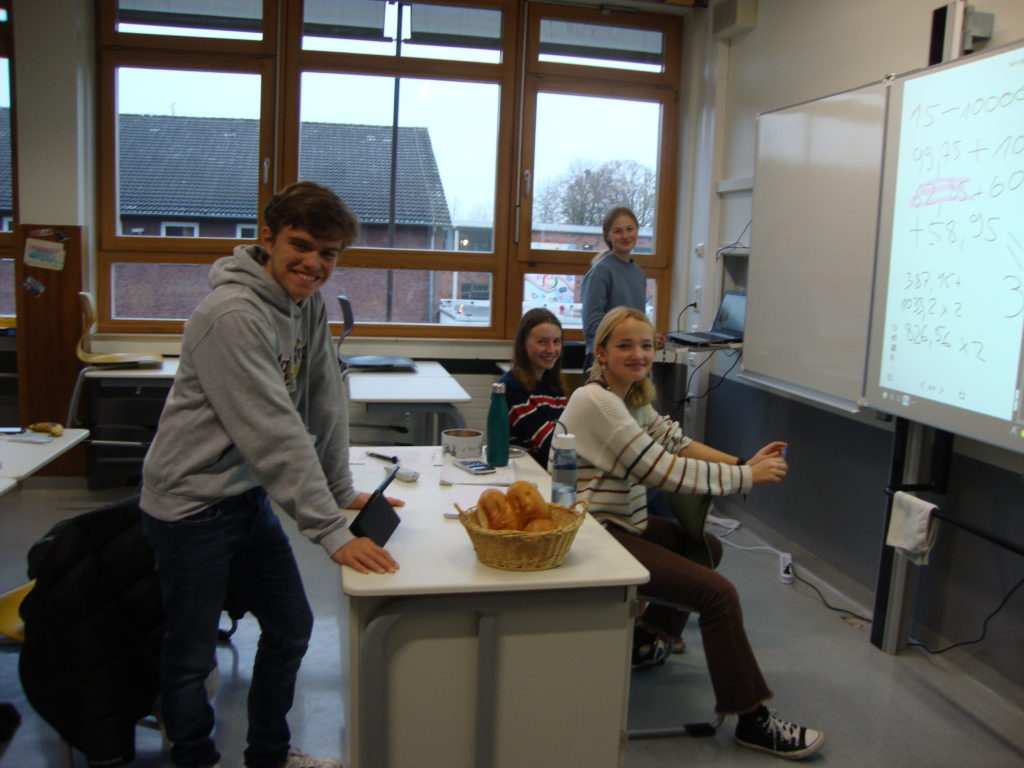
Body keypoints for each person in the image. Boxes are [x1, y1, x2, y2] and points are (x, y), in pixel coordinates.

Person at [140, 181, 402, 768]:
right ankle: (194, 760)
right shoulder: (231, 315)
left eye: (328, 253)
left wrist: (340, 491)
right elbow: (274, 431)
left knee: (291, 627)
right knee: (191, 655)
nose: (314, 264)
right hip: (189, 506)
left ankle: (269, 756)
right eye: (301, 245)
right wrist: (330, 531)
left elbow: (323, 396)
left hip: (245, 497)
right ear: (267, 238)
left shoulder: (306, 303)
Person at [560, 306, 825, 761]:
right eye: (625, 345)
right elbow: (659, 469)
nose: (638, 354)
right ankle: (751, 719)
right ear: (601, 352)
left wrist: (742, 462)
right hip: (594, 534)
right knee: (718, 595)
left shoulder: (627, 395)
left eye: (646, 345)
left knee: (705, 547)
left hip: (617, 524)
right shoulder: (595, 401)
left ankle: (647, 639)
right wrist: (746, 478)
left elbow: (674, 442)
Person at [580, 206, 665, 371]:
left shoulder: (638, 273)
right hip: (603, 363)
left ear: (637, 231)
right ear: (608, 235)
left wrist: (648, 338)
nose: (625, 236)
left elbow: (635, 321)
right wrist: (633, 338)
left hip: (632, 362)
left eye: (630, 229)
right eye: (618, 231)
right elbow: (592, 326)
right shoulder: (601, 272)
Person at [499, 308, 568, 467]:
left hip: (550, 471)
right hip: (526, 473)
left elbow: (565, 434)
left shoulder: (554, 386)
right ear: (523, 344)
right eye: (542, 342)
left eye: (556, 341)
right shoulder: (511, 387)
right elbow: (550, 445)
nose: (551, 350)